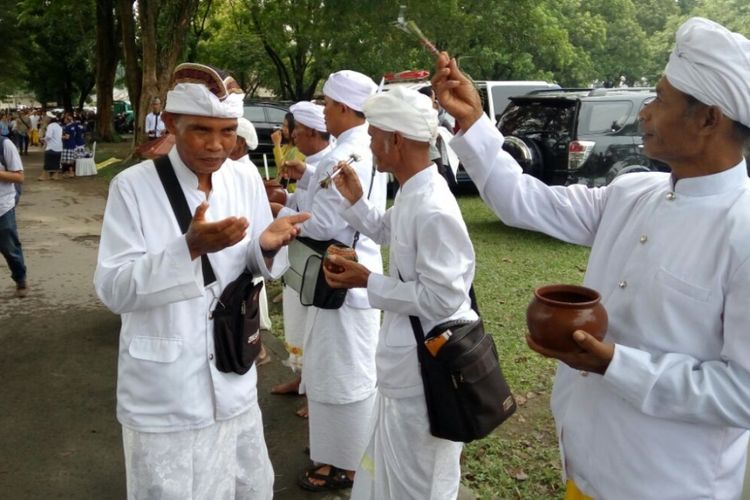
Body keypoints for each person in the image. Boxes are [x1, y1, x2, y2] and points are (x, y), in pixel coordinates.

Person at [433, 17, 750, 500]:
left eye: (660, 99)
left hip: (667, 483)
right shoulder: (632, 193)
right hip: (583, 462)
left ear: (709, 119)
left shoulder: (742, 229)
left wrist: (615, 365)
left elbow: (742, 393)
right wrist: (475, 124)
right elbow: (523, 200)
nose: (645, 112)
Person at [94, 62, 310, 500]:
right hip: (166, 392)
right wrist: (188, 249)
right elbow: (113, 289)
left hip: (232, 376)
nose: (216, 145)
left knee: (246, 485)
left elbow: (245, 267)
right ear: (172, 123)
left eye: (228, 131)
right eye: (201, 131)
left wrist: (265, 247)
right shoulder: (133, 187)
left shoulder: (244, 175)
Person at [322, 86, 473, 499]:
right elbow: (390, 231)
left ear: (397, 141)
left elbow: (442, 299)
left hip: (427, 368)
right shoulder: (414, 190)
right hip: (405, 364)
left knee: (420, 480)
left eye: (374, 135)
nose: (369, 143)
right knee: (391, 471)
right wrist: (355, 202)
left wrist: (365, 280)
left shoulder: (434, 206)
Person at [279, 70, 387, 491]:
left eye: (327, 104)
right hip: (348, 270)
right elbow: (330, 203)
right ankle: (339, 454)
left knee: (341, 370)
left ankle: (343, 463)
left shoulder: (347, 153)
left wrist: (283, 219)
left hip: (339, 272)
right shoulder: (360, 146)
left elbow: (324, 223)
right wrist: (304, 184)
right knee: (339, 366)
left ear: (343, 107)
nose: (324, 112)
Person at [271, 101, 333, 418]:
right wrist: (285, 197)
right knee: (297, 321)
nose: (288, 135)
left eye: (291, 129)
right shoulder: (313, 163)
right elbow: (304, 201)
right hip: (299, 256)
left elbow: (321, 222)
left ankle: (315, 393)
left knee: (316, 329)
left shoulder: (331, 162)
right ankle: (302, 379)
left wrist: (278, 211)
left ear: (307, 131)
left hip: (317, 259)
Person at [230, 116, 272, 365]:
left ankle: (256, 350)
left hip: (243, 246)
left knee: (244, 304)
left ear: (241, 143)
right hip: (242, 244)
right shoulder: (237, 168)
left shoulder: (242, 170)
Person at [0, 135, 27, 298]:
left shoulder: (4, 144)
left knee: (10, 249)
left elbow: (19, 176)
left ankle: (20, 278)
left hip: (3, 206)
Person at [39, 115, 62, 181]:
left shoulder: (50, 126)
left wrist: (43, 139)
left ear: (49, 119)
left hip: (51, 147)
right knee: (56, 162)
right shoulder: (59, 126)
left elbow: (49, 136)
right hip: (59, 147)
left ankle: (44, 176)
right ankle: (55, 175)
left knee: (47, 162)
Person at [60, 113, 77, 178]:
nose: (64, 120)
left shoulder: (67, 127)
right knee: (71, 159)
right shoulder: (73, 126)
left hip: (67, 145)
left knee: (67, 160)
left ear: (67, 120)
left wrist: (60, 136)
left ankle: (70, 172)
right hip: (73, 144)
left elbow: (67, 137)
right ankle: (71, 172)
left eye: (65, 119)